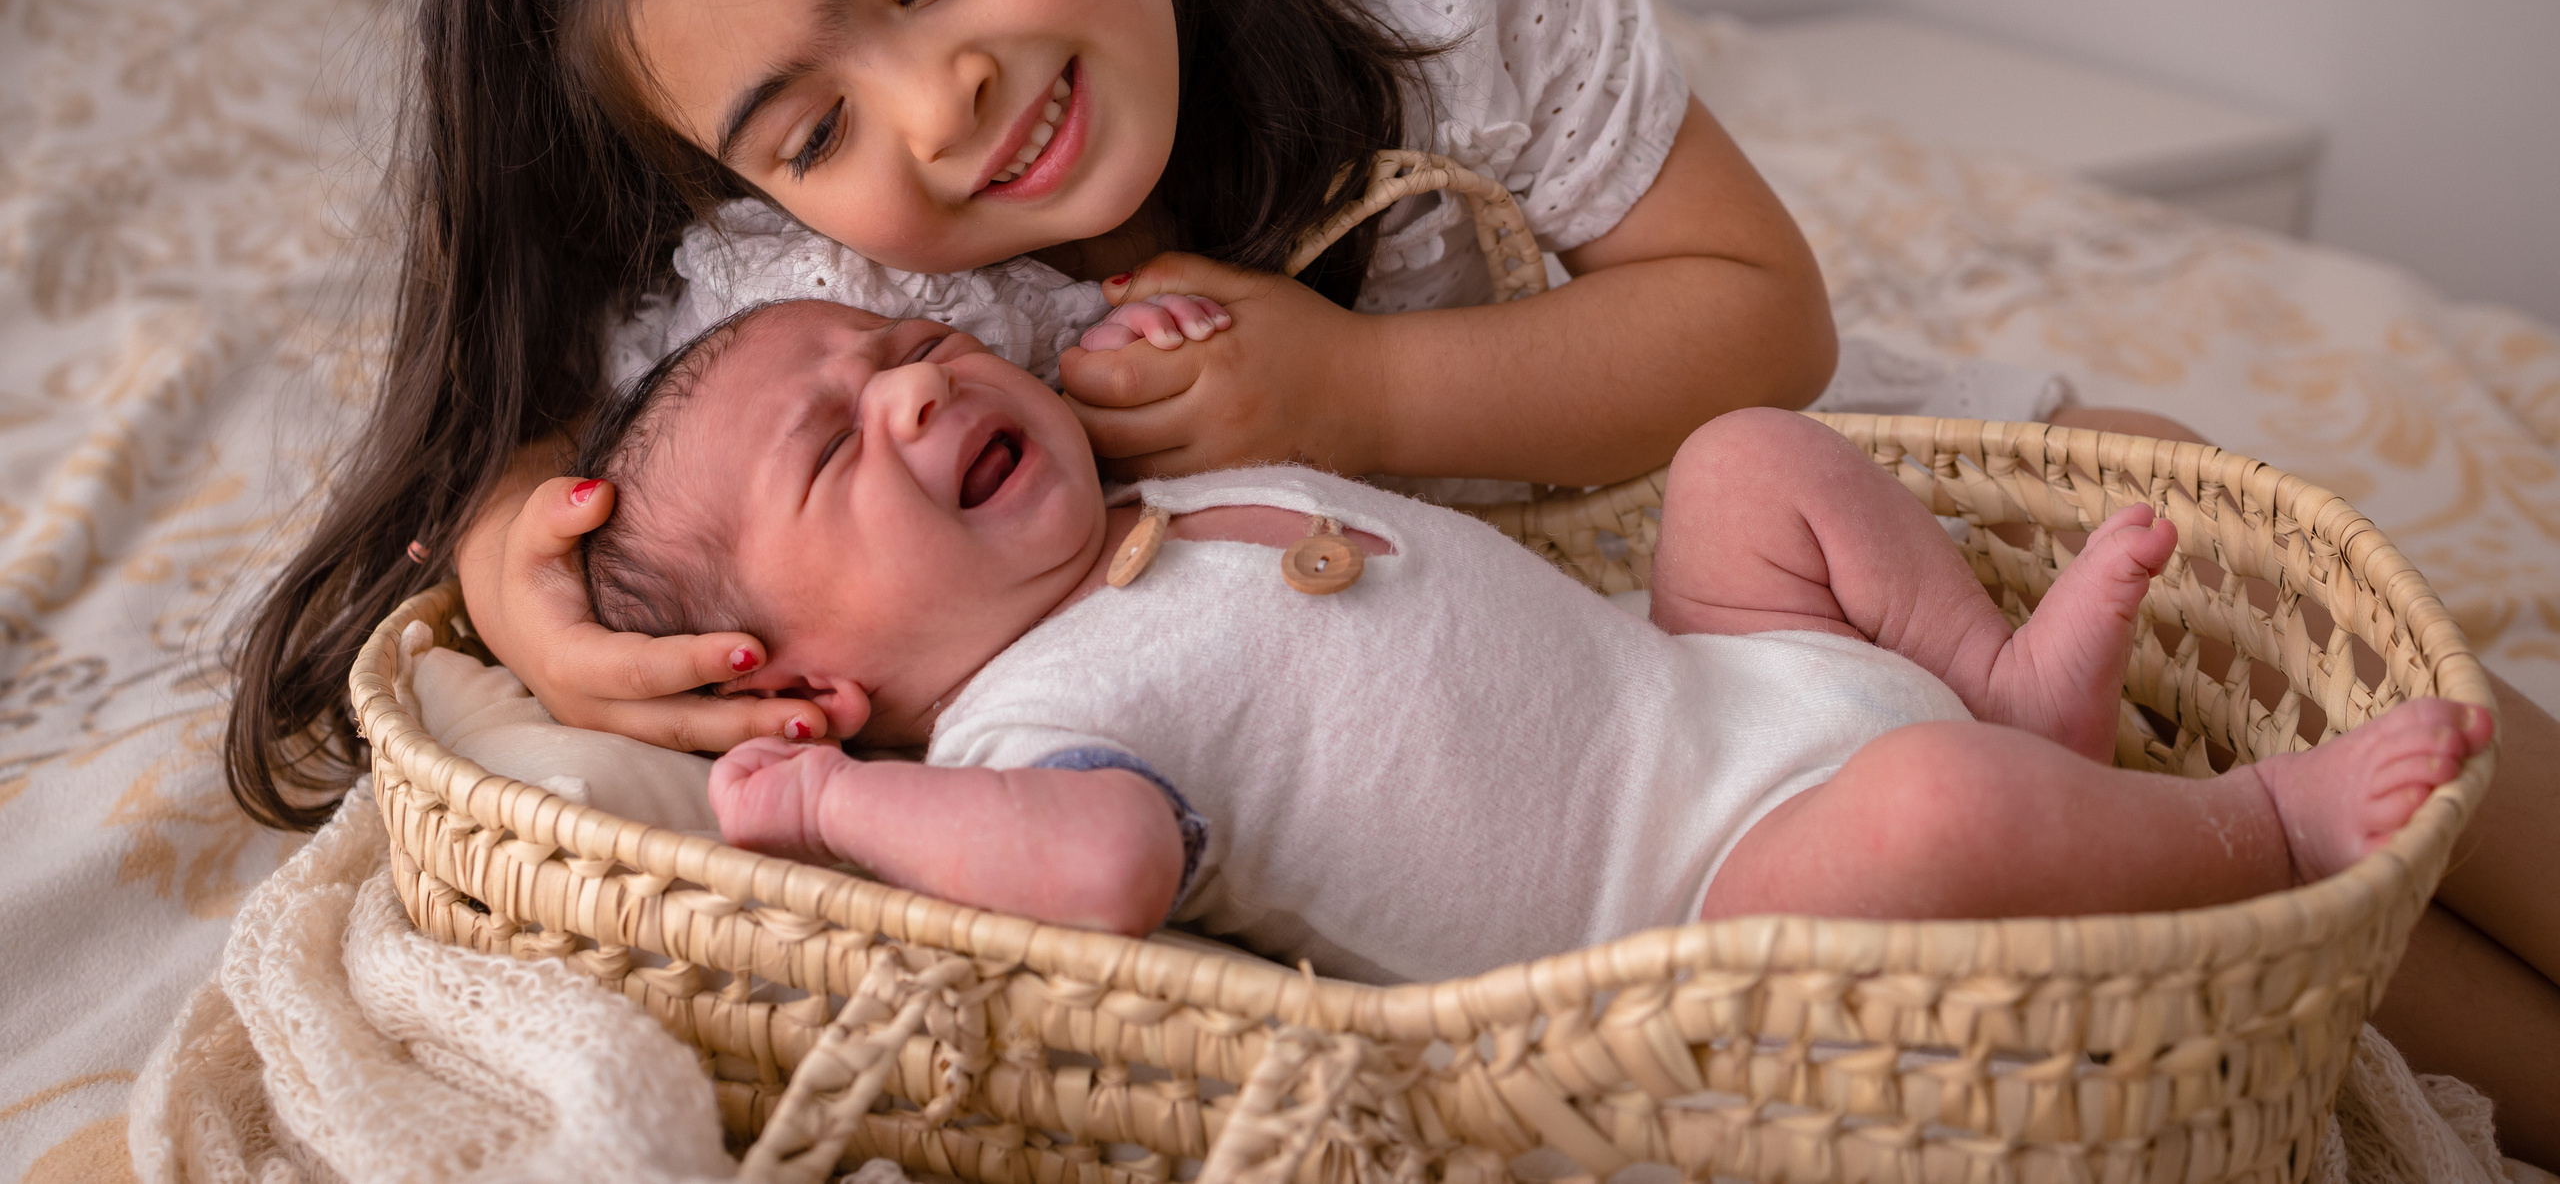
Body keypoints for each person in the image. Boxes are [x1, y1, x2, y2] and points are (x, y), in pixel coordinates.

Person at [218, 0, 2560, 1150]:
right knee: (2241, 912)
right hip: (1611, 776)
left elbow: (1760, 312)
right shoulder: (847, 323)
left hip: (1689, 514)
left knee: (2242, 552)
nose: (929, 111)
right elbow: (567, 453)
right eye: (802, 120)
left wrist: (1349, 401)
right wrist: (516, 563)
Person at [573, 297, 2487, 986]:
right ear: (809, 682)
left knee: (1743, 460)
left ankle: (2002, 693)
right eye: (838, 445)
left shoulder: (1135, 523)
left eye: (911, 350)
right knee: (1925, 826)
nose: (914, 394)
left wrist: (1149, 360)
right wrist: (829, 808)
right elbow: (1100, 870)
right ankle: (2255, 833)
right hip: (1703, 884)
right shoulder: (1024, 727)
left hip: (1719, 678)